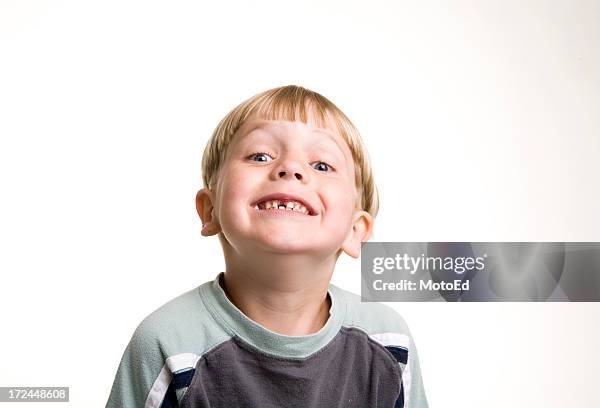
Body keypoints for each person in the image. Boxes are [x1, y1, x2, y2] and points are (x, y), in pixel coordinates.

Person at [105, 85, 429, 408]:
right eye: (260, 156)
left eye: (322, 165)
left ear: (355, 231)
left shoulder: (389, 341)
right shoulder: (167, 342)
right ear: (210, 210)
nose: (291, 168)